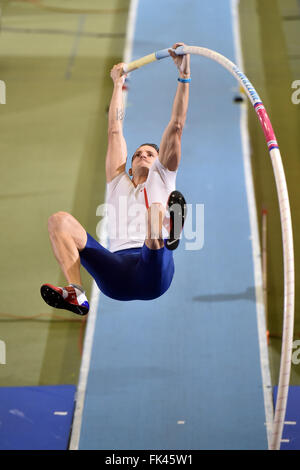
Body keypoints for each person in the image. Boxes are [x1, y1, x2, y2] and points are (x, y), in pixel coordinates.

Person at [40, 42, 190, 315]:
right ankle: (75, 292)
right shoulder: (118, 181)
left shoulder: (163, 177)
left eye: (150, 153)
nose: (143, 155)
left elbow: (177, 125)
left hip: (153, 270)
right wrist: (118, 84)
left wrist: (184, 75)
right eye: (138, 154)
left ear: (160, 161)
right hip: (116, 274)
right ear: (130, 165)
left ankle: (170, 236)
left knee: (156, 211)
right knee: (58, 221)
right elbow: (114, 130)